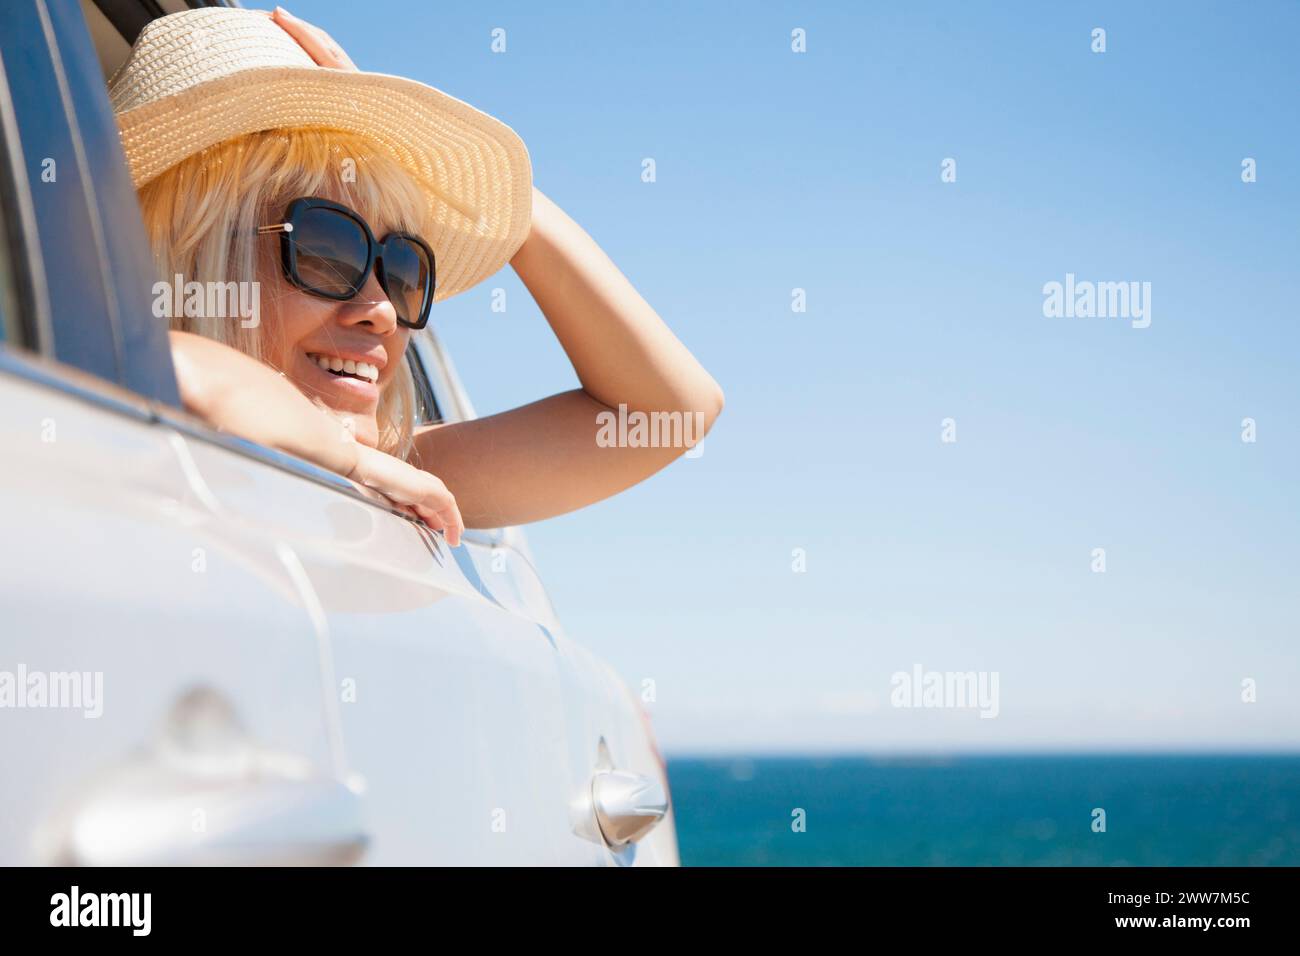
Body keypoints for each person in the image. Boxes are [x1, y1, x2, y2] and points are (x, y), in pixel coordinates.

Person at [113, 6, 723, 547]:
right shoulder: (372, 470)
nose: (381, 308)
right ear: (184, 260)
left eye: (402, 268)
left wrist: (504, 202)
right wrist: (347, 461)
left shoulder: (393, 470)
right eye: (329, 251)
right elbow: (171, 367)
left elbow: (669, 411)